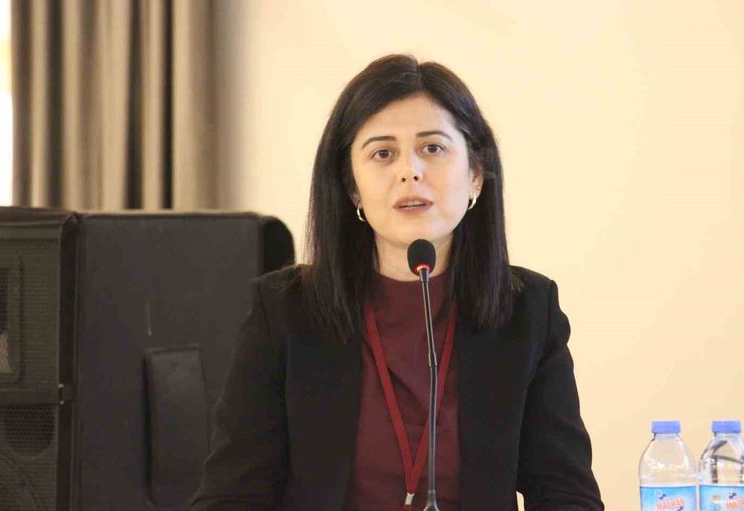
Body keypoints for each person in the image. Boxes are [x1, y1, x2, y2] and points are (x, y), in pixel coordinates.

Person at [192, 54, 603, 511]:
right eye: (383, 153)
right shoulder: (286, 312)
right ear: (352, 188)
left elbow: (567, 495)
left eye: (433, 148)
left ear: (475, 176)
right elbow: (230, 498)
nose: (410, 171)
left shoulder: (528, 312)